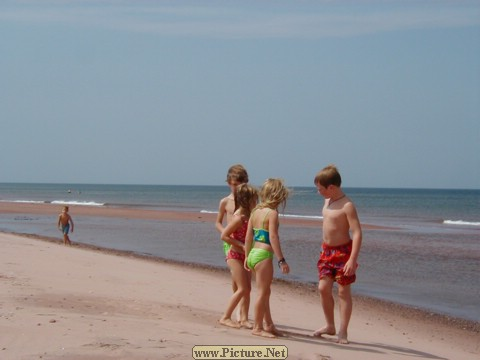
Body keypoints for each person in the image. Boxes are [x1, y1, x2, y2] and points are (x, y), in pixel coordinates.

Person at [313, 164, 362, 344]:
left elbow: (357, 232)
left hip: (343, 253)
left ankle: (343, 331)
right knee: (323, 288)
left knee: (343, 292)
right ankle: (330, 325)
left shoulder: (347, 205)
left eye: (320, 189)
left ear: (331, 187)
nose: (318, 192)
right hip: (326, 252)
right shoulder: (327, 201)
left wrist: (352, 259)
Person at [244, 178, 290, 338]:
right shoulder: (272, 213)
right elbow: (273, 237)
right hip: (264, 255)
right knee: (263, 292)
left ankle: (268, 324)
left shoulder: (255, 211)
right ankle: (257, 327)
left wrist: (246, 256)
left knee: (265, 291)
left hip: (253, 254)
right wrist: (281, 259)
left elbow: (248, 236)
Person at [215, 164, 251, 325]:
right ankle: (234, 310)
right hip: (229, 242)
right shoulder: (225, 201)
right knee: (237, 279)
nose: (235, 187)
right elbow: (217, 222)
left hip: (245, 242)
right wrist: (225, 233)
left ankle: (243, 315)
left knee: (245, 281)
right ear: (228, 183)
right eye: (233, 184)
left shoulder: (248, 201)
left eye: (239, 184)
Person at [219, 183, 258, 329]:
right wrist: (240, 245)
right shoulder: (239, 217)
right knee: (242, 288)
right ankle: (226, 316)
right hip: (235, 255)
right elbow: (224, 235)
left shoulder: (250, 215)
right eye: (254, 199)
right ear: (246, 200)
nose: (256, 202)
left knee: (247, 288)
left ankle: (244, 318)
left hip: (245, 255)